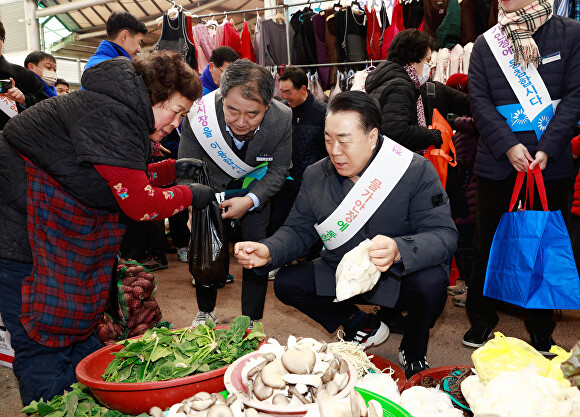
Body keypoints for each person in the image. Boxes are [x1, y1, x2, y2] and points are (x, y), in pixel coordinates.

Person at [0, 50, 214, 404]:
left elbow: (117, 176)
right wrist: (187, 194)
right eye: (175, 111)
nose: (176, 123)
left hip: (51, 242)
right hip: (26, 246)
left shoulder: (117, 112)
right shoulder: (112, 115)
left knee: (81, 339)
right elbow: (140, 203)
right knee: (44, 345)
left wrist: (172, 170)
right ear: (154, 96)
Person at [234, 91, 458, 378]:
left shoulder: (413, 169)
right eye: (328, 139)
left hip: (398, 274)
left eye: (344, 140)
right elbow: (299, 229)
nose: (335, 151)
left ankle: (414, 347)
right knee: (287, 283)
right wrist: (269, 249)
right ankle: (361, 324)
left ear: (373, 136)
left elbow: (444, 234)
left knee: (431, 282)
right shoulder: (317, 174)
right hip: (342, 270)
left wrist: (399, 248)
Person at [464, 0, 580, 354]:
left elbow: (576, 96)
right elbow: (478, 101)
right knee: (487, 242)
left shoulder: (571, 33)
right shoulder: (487, 42)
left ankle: (541, 328)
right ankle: (481, 320)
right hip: (500, 162)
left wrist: (549, 146)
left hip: (551, 163)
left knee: (544, 244)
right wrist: (508, 146)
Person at [179, 58, 292, 326]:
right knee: (206, 251)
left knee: (255, 254)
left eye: (253, 114)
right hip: (209, 189)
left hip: (254, 189)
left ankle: (251, 319)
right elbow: (187, 168)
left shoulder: (282, 117)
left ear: (267, 105)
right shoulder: (199, 114)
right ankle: (207, 310)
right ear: (221, 99)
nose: (241, 122)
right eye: (232, 110)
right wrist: (192, 207)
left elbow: (279, 170)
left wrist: (251, 200)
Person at [270, 67, 327, 236]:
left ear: (303, 89)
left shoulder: (322, 112)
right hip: (283, 182)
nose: (284, 96)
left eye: (288, 92)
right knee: (277, 225)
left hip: (311, 185)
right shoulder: (280, 110)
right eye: (282, 92)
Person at [365, 29, 443, 153]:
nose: (429, 66)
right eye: (427, 61)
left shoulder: (387, 79)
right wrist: (430, 135)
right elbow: (396, 131)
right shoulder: (401, 86)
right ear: (413, 60)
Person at [0, 21, 48, 130]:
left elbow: (47, 107)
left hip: (15, 141)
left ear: (2, 40)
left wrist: (24, 100)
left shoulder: (23, 75)